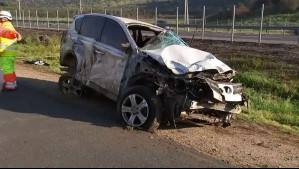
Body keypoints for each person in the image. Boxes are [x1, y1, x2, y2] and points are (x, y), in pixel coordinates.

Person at [0, 11, 22, 91]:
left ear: (4, 19)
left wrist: (14, 34)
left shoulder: (5, 26)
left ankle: (10, 84)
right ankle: (12, 82)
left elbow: (6, 32)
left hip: (5, 52)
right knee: (9, 68)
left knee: (6, 68)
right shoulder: (7, 25)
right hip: (8, 52)